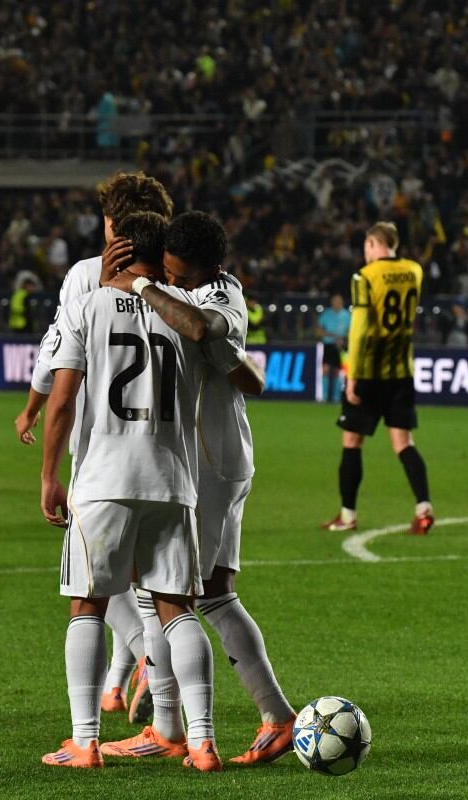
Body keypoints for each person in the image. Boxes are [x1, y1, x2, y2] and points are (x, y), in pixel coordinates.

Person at [100, 211, 297, 765]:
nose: (171, 280)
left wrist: (135, 284)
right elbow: (243, 373)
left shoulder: (217, 296)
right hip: (218, 458)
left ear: (207, 268)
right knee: (214, 595)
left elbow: (198, 328)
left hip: (207, 463)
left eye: (177, 274)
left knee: (165, 594)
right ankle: (276, 716)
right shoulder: (196, 288)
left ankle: (169, 727)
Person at [39, 212, 225, 771]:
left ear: (118, 250)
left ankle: (84, 741)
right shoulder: (185, 314)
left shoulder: (89, 305)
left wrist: (49, 475)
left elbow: (63, 399)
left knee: (88, 606)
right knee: (177, 610)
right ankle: (203, 742)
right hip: (173, 481)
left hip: (105, 479)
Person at [15, 171, 174, 723]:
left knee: (95, 580)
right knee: (156, 581)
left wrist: (33, 409)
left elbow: (56, 353)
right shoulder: (177, 282)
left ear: (112, 224)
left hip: (99, 447)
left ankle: (146, 672)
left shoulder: (87, 276)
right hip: (169, 453)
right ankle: (156, 692)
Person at [322, 222, 433, 534]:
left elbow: (359, 329)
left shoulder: (364, 276)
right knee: (404, 443)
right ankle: (424, 508)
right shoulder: (415, 271)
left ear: (373, 243)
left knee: (352, 442)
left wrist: (353, 375)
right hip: (401, 371)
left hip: (369, 372)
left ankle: (347, 515)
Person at [316, 293, 350, 403]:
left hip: (341, 346)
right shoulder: (326, 314)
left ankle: (336, 397)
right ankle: (324, 397)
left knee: (338, 371)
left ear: (342, 302)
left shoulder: (347, 315)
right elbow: (319, 330)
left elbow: (351, 331)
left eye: (338, 301)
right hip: (328, 345)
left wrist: (344, 340)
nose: (336, 303)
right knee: (325, 369)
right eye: (334, 301)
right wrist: (333, 336)